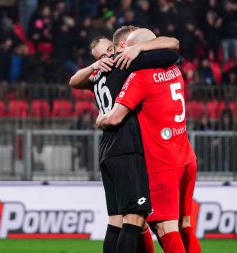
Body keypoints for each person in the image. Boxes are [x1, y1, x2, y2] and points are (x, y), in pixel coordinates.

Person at [69, 26, 179, 253]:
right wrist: (139, 47)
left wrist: (93, 67)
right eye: (103, 55)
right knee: (134, 219)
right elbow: (172, 50)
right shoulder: (122, 64)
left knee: (116, 220)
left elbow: (73, 82)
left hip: (107, 151)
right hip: (126, 148)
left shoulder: (97, 75)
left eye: (110, 49)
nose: (109, 56)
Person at [96, 28, 201, 253]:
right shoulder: (174, 69)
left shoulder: (140, 77)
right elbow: (172, 43)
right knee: (184, 225)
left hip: (163, 162)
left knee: (164, 228)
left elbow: (115, 118)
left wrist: (100, 118)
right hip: (186, 156)